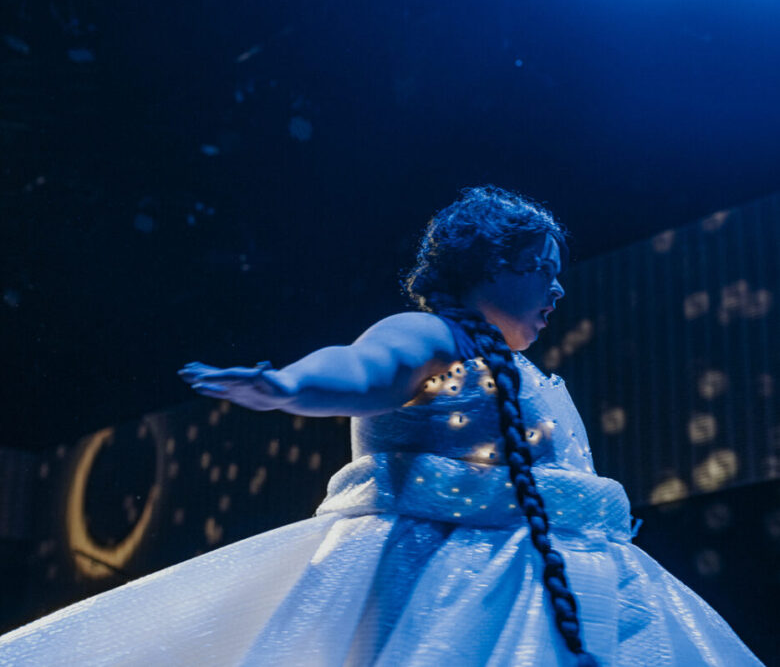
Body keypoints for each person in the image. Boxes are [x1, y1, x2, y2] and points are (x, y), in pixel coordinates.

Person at [0, 186, 763, 666]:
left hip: (575, 587)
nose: (557, 287)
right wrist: (288, 386)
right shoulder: (435, 337)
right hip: (453, 589)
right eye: (543, 266)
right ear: (493, 263)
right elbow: (361, 370)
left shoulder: (534, 376)